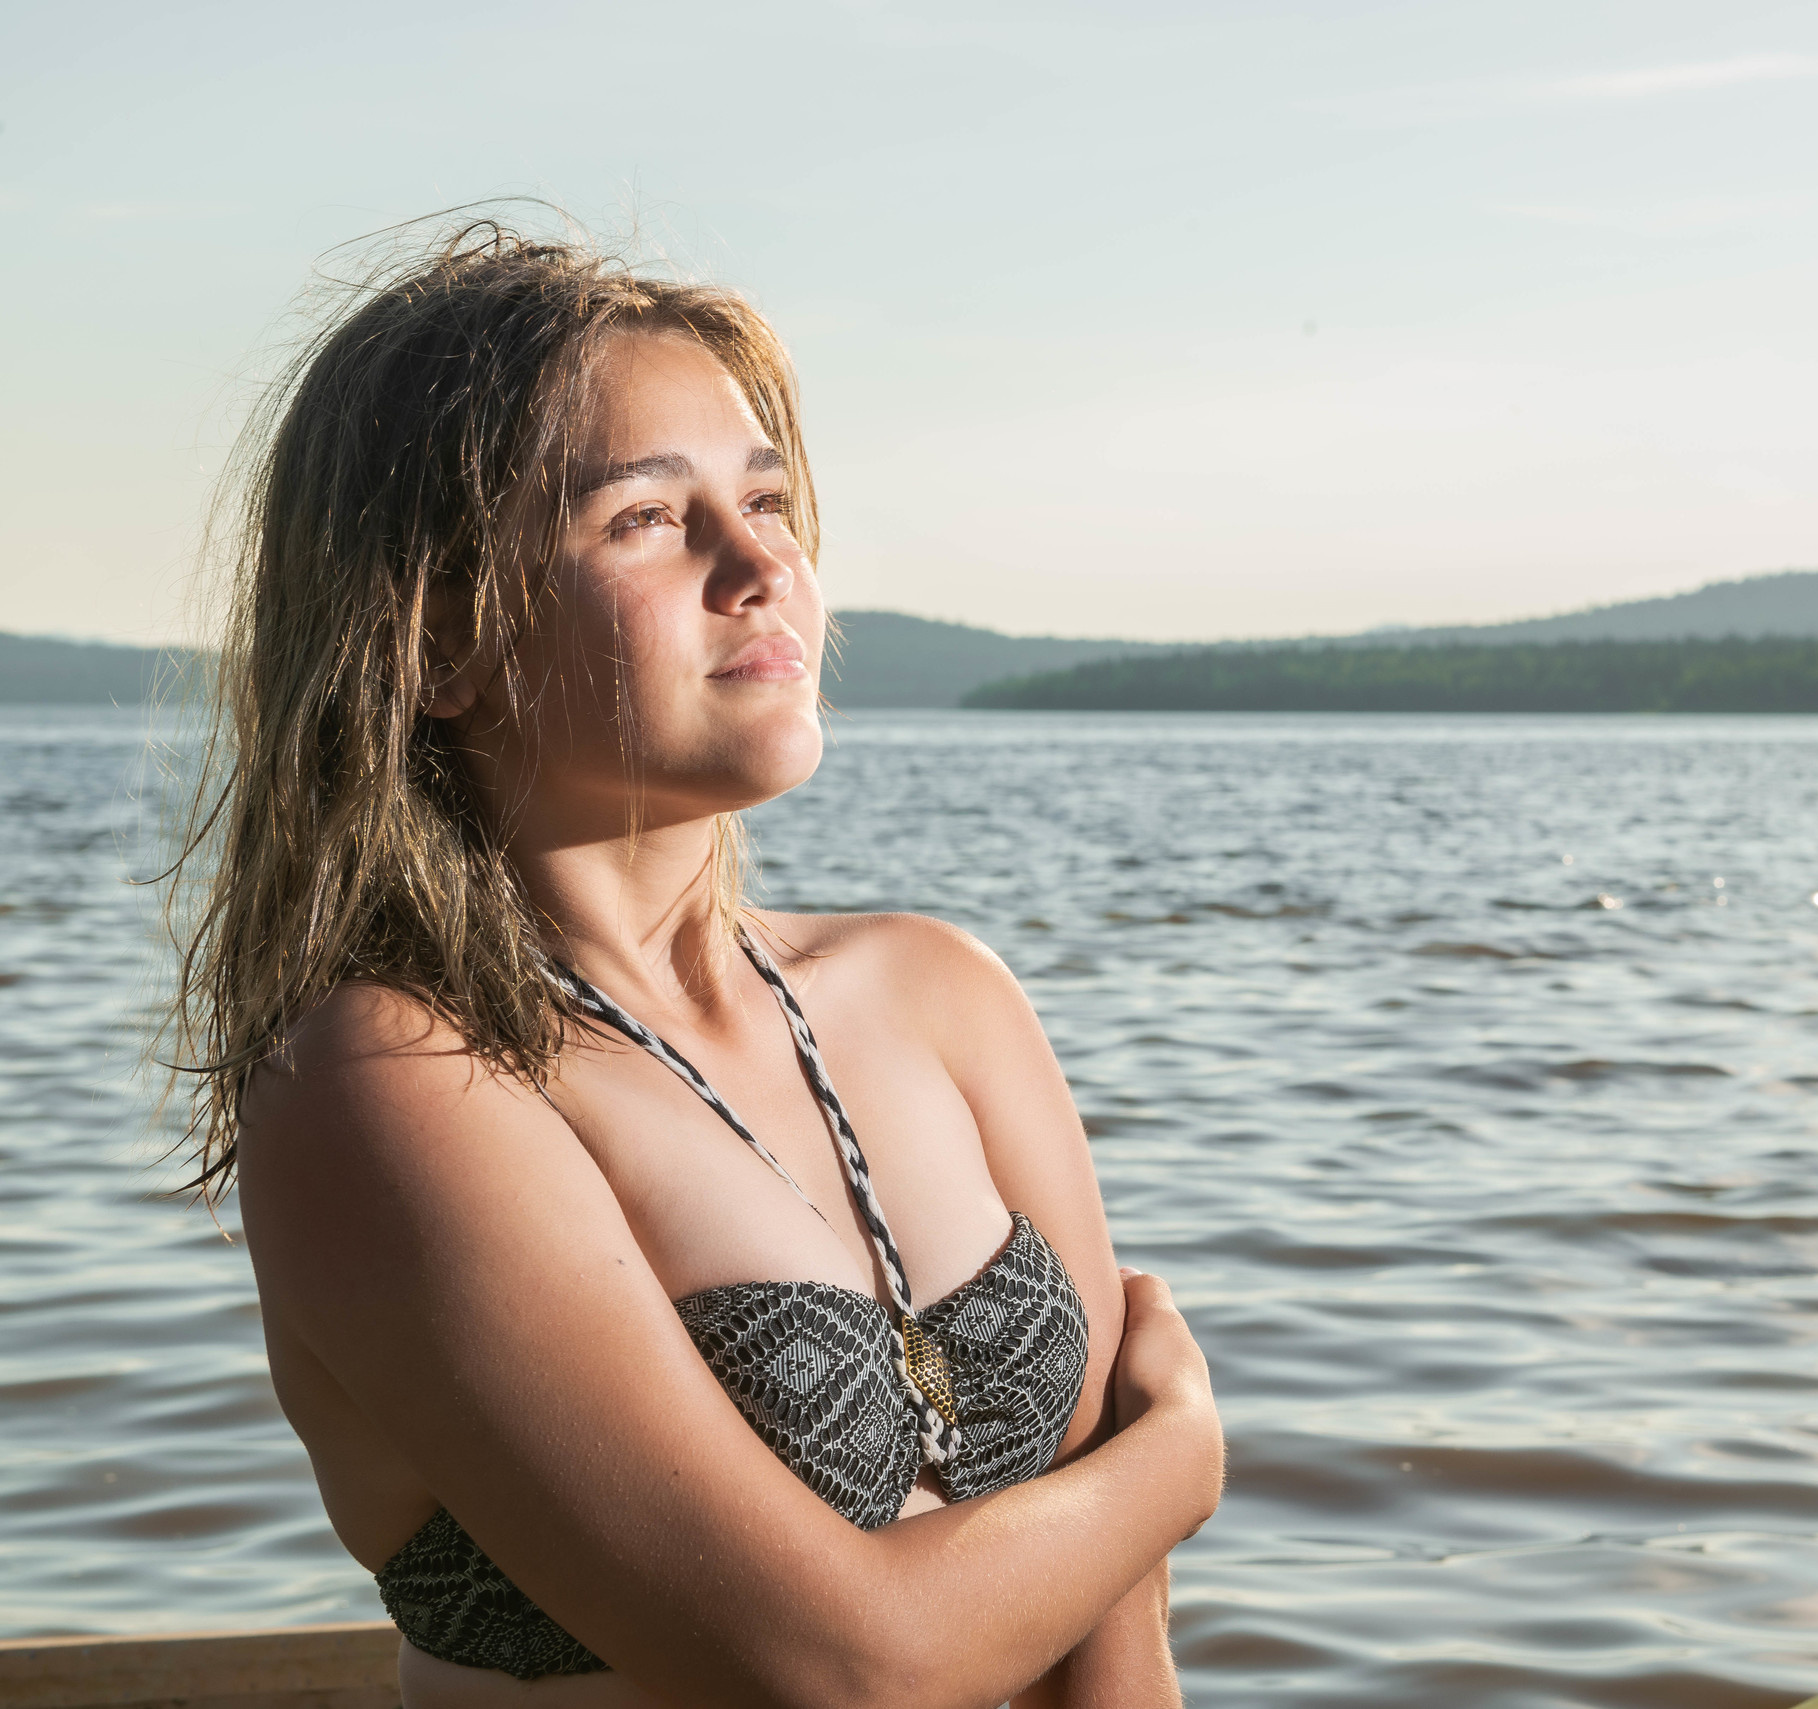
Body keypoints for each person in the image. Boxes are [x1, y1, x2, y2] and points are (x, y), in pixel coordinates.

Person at [162, 221, 1222, 1708]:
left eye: (770, 500)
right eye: (650, 518)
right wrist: (1178, 1459)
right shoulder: (391, 1084)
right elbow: (837, 1666)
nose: (762, 564)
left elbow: (1118, 1641)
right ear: (442, 640)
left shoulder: (938, 994)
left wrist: (1140, 1511)